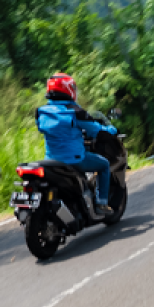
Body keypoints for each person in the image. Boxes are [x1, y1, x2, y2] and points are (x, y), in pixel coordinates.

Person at [36, 73, 118, 214]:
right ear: (68, 89)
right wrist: (111, 130)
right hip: (75, 160)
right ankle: (101, 204)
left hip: (50, 161)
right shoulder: (75, 112)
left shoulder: (41, 112)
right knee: (104, 165)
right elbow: (96, 130)